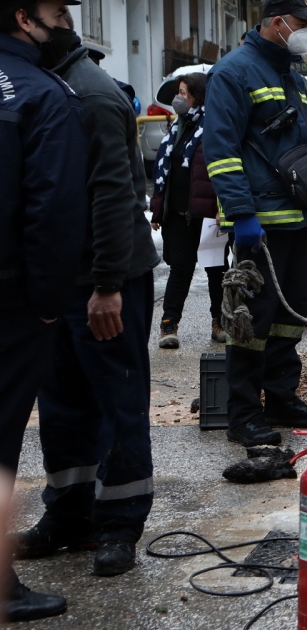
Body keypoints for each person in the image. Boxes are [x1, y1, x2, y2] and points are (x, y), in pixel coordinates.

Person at [12, 9, 161, 579]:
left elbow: (114, 195)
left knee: (117, 401)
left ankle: (119, 524)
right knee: (62, 404)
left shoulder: (91, 93)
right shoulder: (43, 85)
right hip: (60, 282)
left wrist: (106, 285)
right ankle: (69, 515)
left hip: (105, 280)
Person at [204, 0, 307, 447]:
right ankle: (243, 414)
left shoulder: (291, 75)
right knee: (252, 321)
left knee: (289, 315)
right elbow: (221, 151)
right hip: (259, 227)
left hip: (294, 219)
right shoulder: (233, 73)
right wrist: (241, 214)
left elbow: (303, 148)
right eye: (303, 24)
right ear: (277, 23)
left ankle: (281, 399)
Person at [0, 0, 87, 619]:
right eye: (57, 10)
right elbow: (54, 211)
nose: (66, 24)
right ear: (23, 18)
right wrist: (51, 303)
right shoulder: (41, 94)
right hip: (10, 301)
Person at [150, 72, 228, 348]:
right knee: (180, 270)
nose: (178, 99)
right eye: (178, 93)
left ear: (198, 97)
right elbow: (165, 172)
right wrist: (158, 210)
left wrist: (223, 208)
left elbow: (224, 171)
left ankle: (220, 321)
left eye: (183, 93)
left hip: (208, 216)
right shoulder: (178, 127)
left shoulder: (214, 127)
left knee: (216, 270)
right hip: (179, 215)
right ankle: (169, 324)